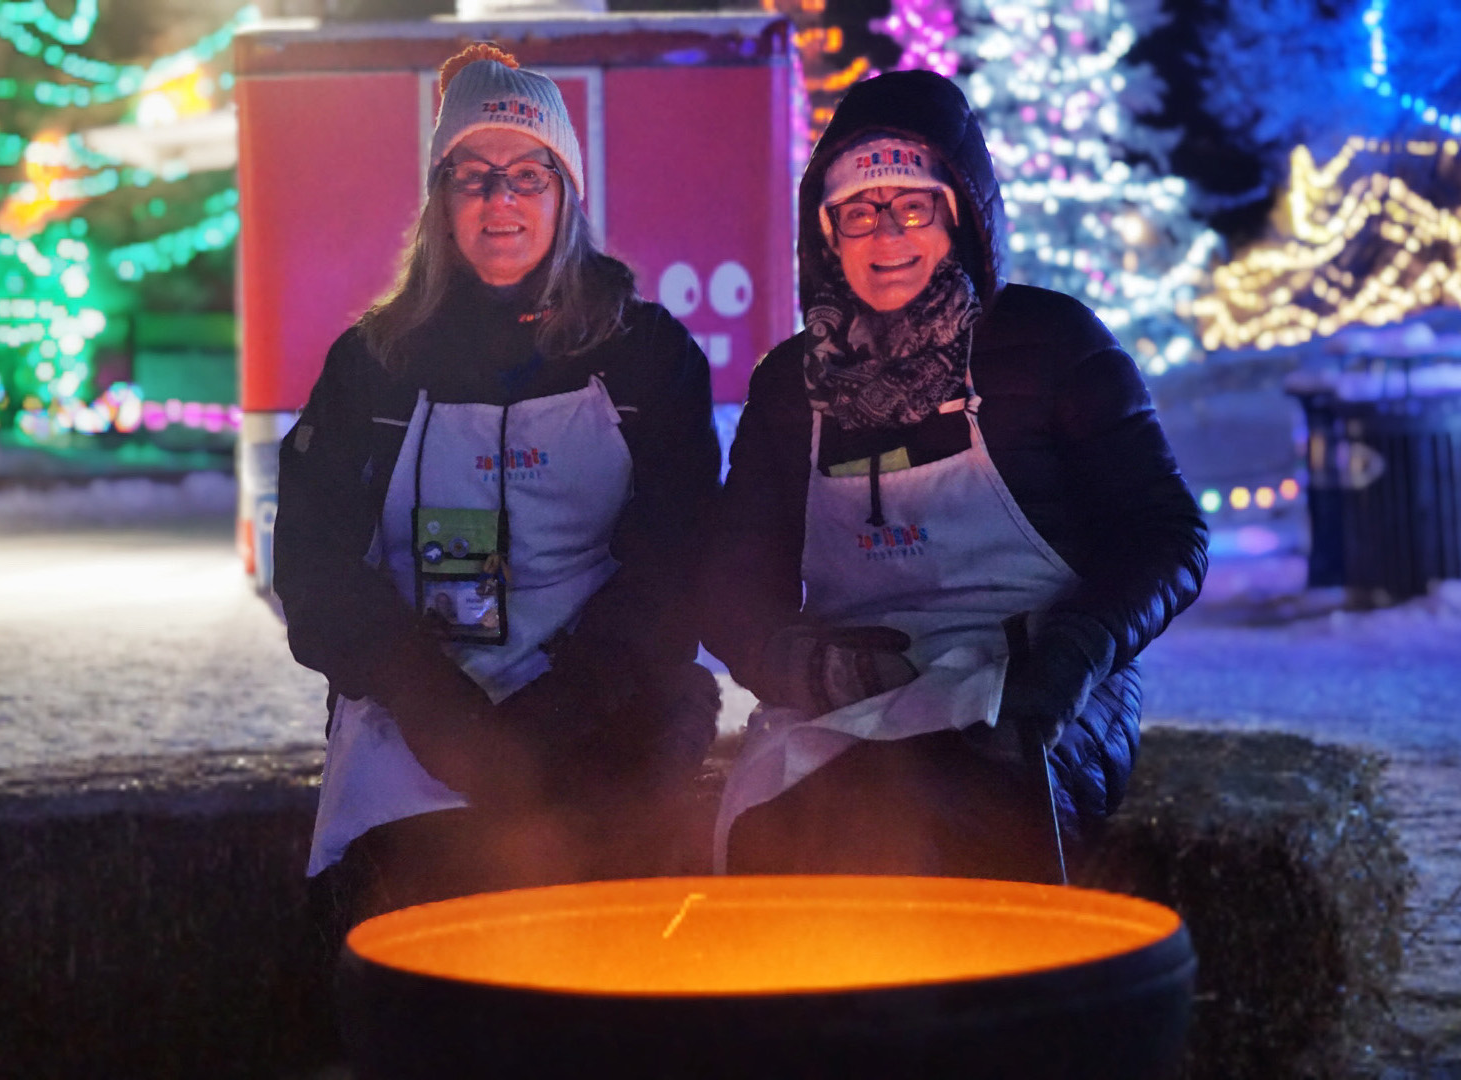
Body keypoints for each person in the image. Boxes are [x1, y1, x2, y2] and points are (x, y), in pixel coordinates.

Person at [702, 70, 1208, 881]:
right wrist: (793, 664)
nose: (886, 235)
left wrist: (1079, 649)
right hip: (844, 706)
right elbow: (729, 582)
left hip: (1034, 694)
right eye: (859, 211)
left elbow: (1167, 534)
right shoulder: (789, 384)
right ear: (826, 231)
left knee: (943, 823)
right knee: (792, 844)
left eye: (913, 206)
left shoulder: (1051, 343)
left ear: (959, 215)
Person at [273, 44, 722, 923]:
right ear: (440, 201)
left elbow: (681, 553)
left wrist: (575, 702)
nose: (500, 200)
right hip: (421, 709)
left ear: (567, 195)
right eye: (472, 175)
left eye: (529, 174)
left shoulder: (644, 355)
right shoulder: (373, 364)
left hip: (608, 699)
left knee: (609, 917)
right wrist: (436, 709)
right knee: (443, 923)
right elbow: (315, 564)